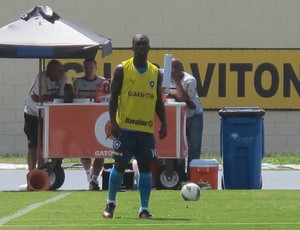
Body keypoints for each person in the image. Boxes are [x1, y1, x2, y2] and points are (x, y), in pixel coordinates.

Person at [102, 34, 167, 219]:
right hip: (125, 129)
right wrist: (113, 122)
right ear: (132, 47)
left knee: (146, 167)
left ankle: (144, 209)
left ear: (149, 47)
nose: (141, 47)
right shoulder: (122, 69)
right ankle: (110, 203)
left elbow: (158, 101)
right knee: (120, 165)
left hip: (146, 130)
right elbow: (113, 97)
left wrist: (164, 123)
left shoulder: (155, 72)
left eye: (144, 44)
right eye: (137, 44)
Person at [24, 59, 67, 173]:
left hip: (47, 113)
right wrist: (51, 97)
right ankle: (32, 172)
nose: (61, 73)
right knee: (33, 145)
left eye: (61, 70)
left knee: (44, 145)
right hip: (32, 112)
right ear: (50, 71)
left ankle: (41, 171)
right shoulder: (41, 77)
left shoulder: (63, 76)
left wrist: (46, 98)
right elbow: (39, 98)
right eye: (58, 71)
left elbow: (61, 97)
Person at [73, 58, 107, 190]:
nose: (88, 69)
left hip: (99, 120)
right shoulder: (78, 82)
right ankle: (89, 175)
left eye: (90, 67)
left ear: (96, 68)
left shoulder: (102, 81)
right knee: (84, 150)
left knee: (100, 151)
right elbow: (75, 99)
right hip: (83, 120)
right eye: (86, 67)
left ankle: (94, 178)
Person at [169, 58, 203, 181]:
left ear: (182, 68)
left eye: (177, 67)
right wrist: (184, 100)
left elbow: (183, 98)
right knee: (179, 147)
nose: (174, 70)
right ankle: (180, 176)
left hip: (194, 116)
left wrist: (177, 82)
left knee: (194, 147)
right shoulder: (165, 79)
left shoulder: (189, 80)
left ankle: (193, 176)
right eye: (171, 67)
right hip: (178, 117)